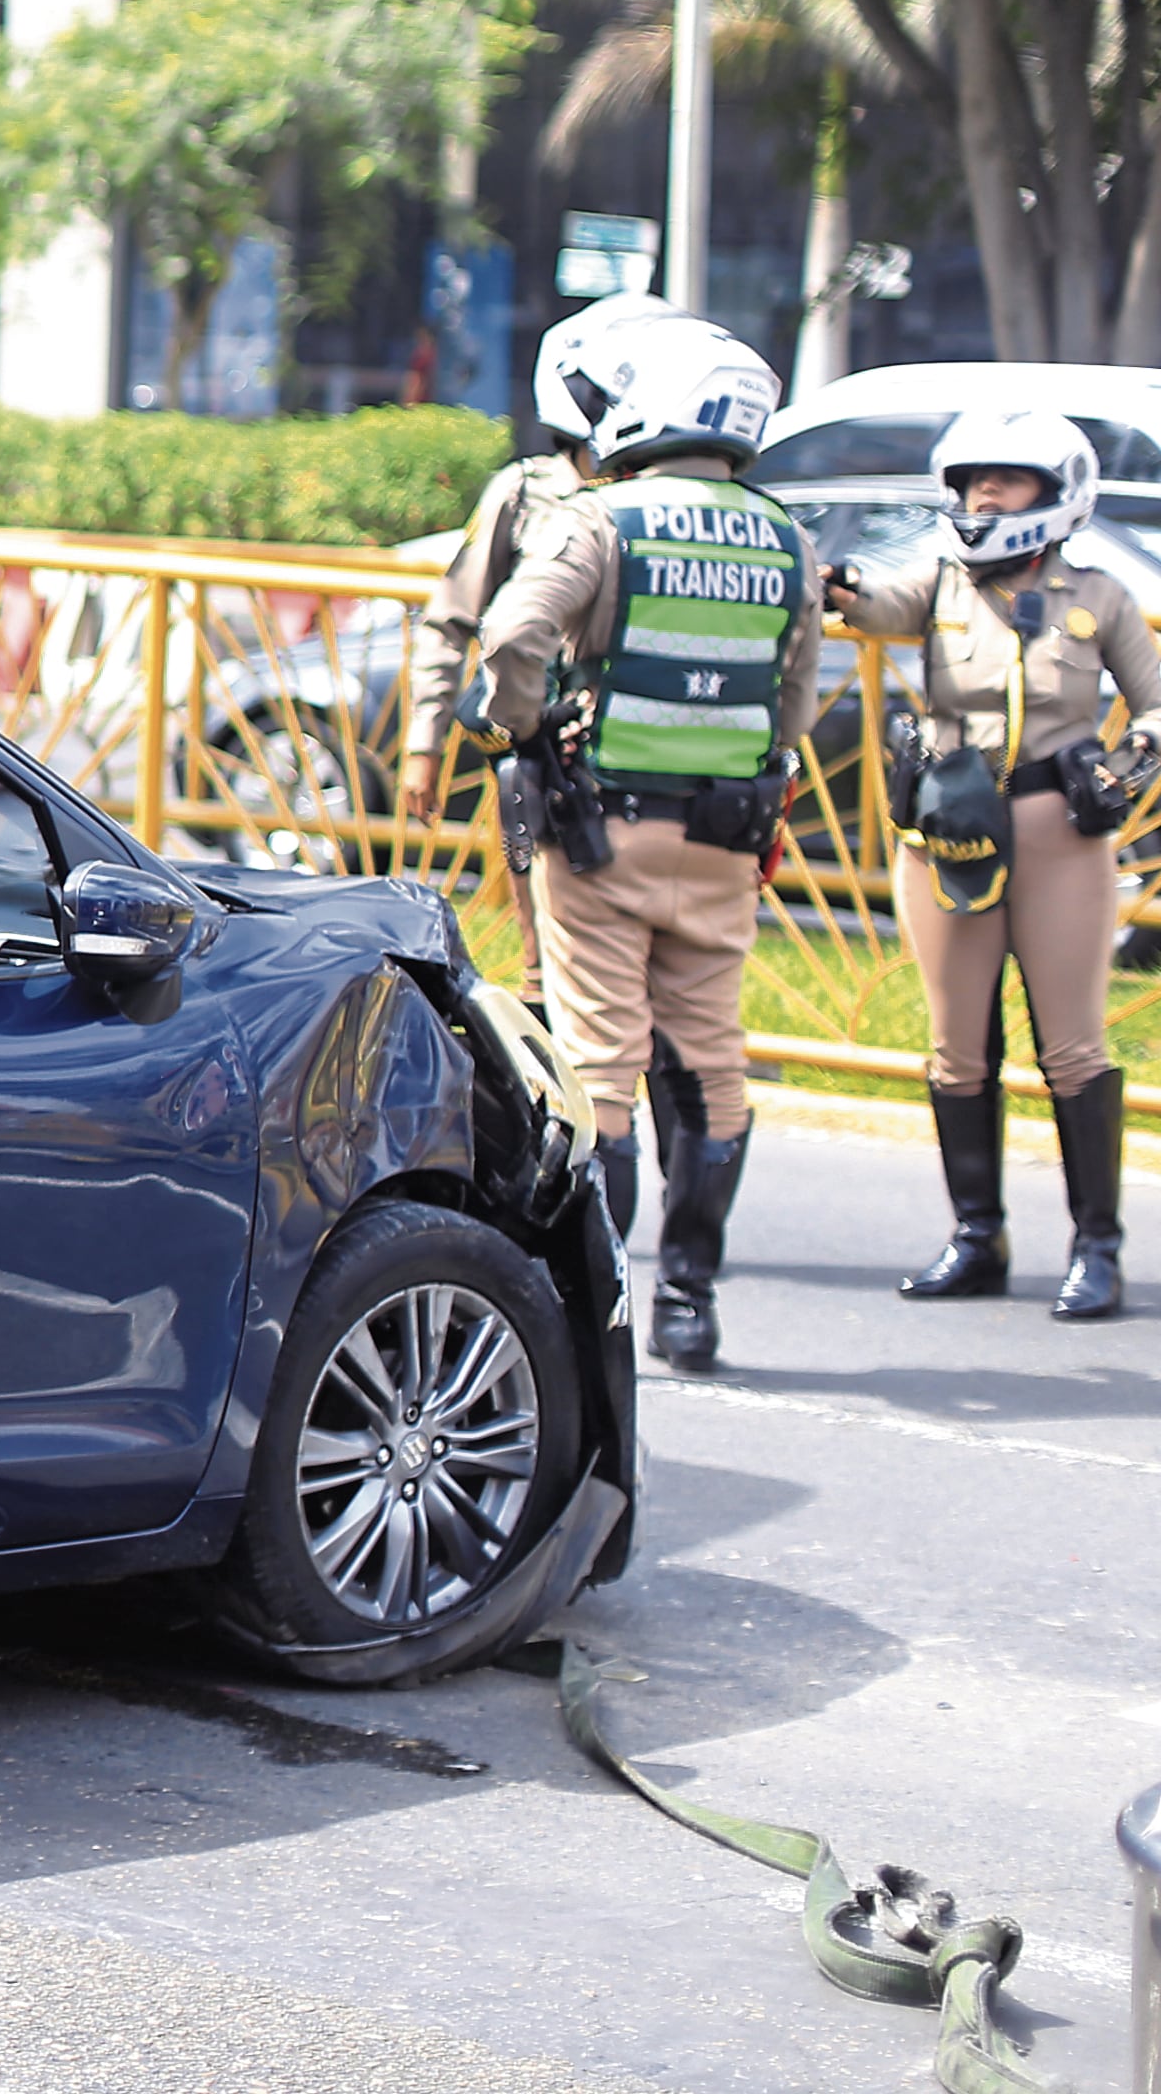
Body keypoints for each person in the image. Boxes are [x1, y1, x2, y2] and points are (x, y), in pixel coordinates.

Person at [458, 323, 818, 1371]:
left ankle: (604, 1298)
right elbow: (793, 706)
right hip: (723, 841)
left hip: (600, 837)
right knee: (711, 1062)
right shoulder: (789, 539)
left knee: (602, 1065)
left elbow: (510, 636)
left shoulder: (599, 521)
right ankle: (691, 1302)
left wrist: (524, 726)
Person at [829, 408, 1149, 1321]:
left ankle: (1097, 1247)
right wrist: (832, 580)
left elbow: (1158, 706)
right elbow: (871, 599)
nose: (983, 497)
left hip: (1061, 837)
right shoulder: (941, 584)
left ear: (1056, 495)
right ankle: (977, 1237)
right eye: (971, 482)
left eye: (1004, 481)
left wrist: (1124, 773)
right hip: (951, 835)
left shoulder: (1102, 596)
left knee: (1072, 1046)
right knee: (956, 1047)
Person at [400, 295, 708, 1078]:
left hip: (657, 767)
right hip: (547, 772)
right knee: (550, 968)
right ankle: (562, 1137)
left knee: (668, 990)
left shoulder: (669, 501)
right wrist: (422, 746)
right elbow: (454, 621)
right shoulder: (526, 492)